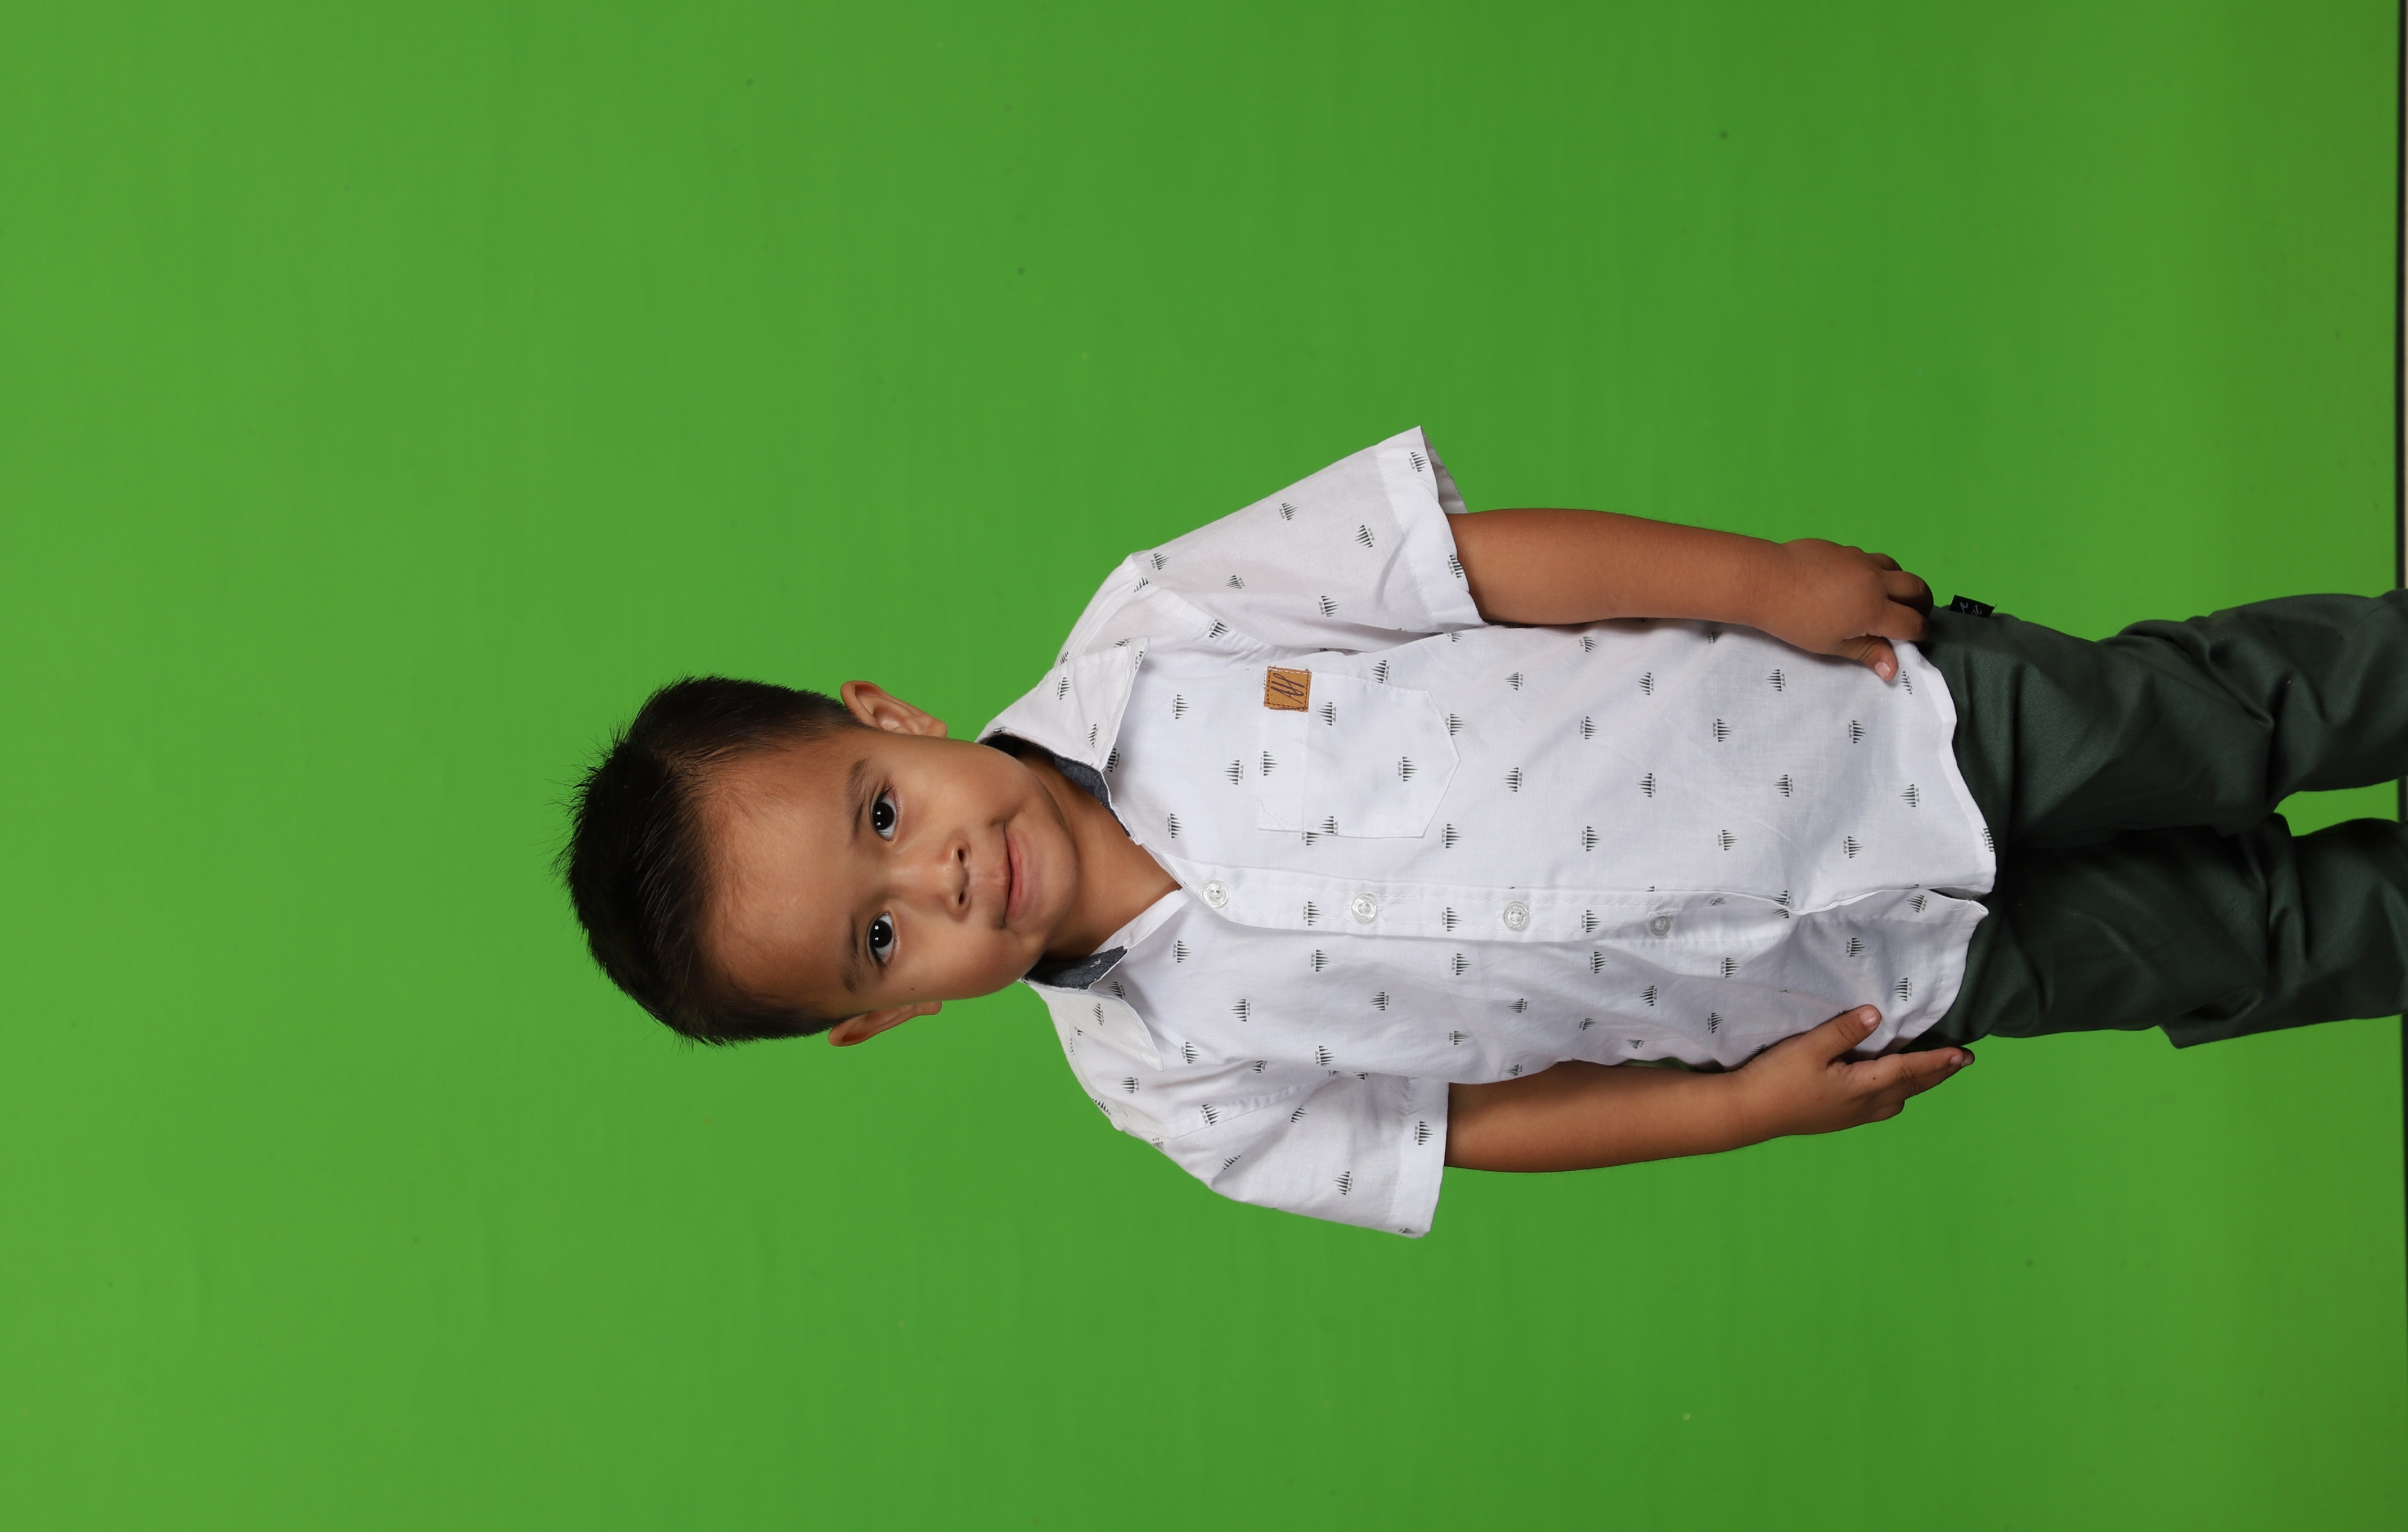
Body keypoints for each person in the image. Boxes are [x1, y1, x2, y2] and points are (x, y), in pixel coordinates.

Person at [560, 429, 2408, 1235]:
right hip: (1873, 977)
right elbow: (1472, 1128)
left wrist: (1762, 583)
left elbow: (1468, 570)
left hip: (1877, 718)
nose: (942, 876)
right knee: (2248, 944)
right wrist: (1736, 1112)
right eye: (881, 934)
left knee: (2239, 715)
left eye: (885, 816)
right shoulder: (1176, 1095)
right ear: (885, 1017)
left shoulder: (1161, 624)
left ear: (887, 718)